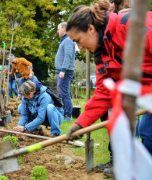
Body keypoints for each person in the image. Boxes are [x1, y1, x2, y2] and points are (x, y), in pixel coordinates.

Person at [64, 0, 152, 177]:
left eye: (78, 41)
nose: (79, 47)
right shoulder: (103, 53)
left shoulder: (130, 25)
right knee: (148, 135)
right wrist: (80, 123)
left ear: (90, 29)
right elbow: (104, 93)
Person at [55, 22, 76, 121]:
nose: (57, 31)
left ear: (64, 29)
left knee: (64, 93)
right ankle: (64, 114)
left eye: (58, 29)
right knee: (62, 93)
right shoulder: (64, 40)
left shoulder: (68, 40)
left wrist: (63, 70)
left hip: (65, 71)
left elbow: (68, 56)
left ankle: (68, 115)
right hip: (61, 71)